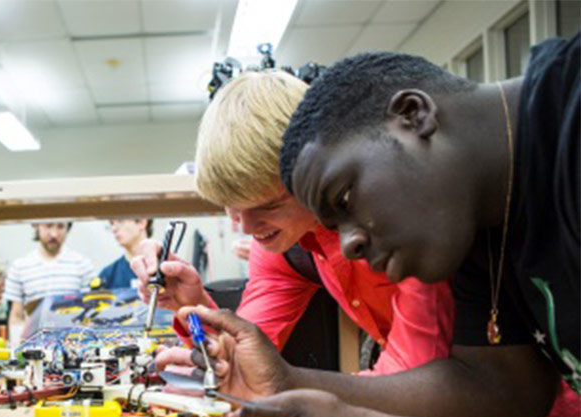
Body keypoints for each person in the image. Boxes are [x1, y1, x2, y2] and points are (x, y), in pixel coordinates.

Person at [188, 36, 579, 417]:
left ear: (413, 115)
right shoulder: (481, 221)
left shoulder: (568, 123)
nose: (345, 245)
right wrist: (287, 382)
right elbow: (498, 391)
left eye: (344, 197)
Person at [134, 70, 456, 379]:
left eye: (268, 205)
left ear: (314, 172)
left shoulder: (398, 218)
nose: (246, 228)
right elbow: (241, 362)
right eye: (233, 208)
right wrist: (192, 306)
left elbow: (417, 378)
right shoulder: (284, 247)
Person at [4, 222, 96, 340]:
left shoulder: (83, 264)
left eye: (60, 226)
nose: (54, 234)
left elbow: (89, 313)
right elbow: (16, 316)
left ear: (68, 228)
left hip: (72, 342)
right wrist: (16, 349)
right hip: (34, 343)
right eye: (48, 226)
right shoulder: (19, 267)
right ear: (37, 225)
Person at [99, 218, 152, 289]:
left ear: (142, 222)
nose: (113, 229)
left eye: (120, 221)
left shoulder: (164, 266)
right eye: (111, 224)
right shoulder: (107, 276)